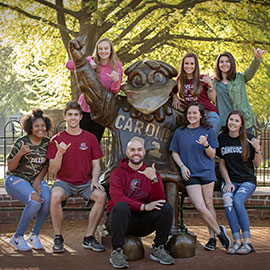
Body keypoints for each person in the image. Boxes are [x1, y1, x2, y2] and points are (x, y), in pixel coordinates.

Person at [46, 101, 107, 253]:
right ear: (65, 116)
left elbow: (96, 165)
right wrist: (60, 153)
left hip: (86, 182)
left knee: (101, 196)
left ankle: (89, 237)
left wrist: (94, 180)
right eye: (70, 115)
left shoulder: (90, 138)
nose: (73, 118)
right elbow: (53, 171)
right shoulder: (56, 140)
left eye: (76, 115)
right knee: (54, 196)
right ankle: (58, 237)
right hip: (64, 182)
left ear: (80, 117)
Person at [169, 102, 231, 251]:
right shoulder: (180, 132)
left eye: (194, 113)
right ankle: (220, 232)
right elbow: (174, 152)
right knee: (200, 206)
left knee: (209, 205)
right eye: (189, 113)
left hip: (206, 171)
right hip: (190, 173)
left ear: (201, 115)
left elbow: (212, 154)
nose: (191, 115)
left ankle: (211, 238)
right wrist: (182, 166)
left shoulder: (208, 131)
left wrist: (206, 145)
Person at [106, 136, 175, 268]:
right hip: (121, 221)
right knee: (121, 206)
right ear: (127, 153)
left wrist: (154, 180)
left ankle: (158, 247)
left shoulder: (151, 172)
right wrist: (143, 206)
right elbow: (118, 198)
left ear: (144, 152)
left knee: (165, 208)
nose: (136, 153)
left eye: (139, 149)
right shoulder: (117, 173)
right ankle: (116, 251)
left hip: (143, 222)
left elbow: (159, 200)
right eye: (132, 150)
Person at [5, 109, 52, 251]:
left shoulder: (48, 143)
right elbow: (11, 167)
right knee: (35, 200)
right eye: (36, 126)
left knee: (47, 198)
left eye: (42, 125)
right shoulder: (22, 142)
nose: (40, 129)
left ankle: (34, 235)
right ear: (30, 127)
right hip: (15, 178)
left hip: (34, 179)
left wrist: (37, 181)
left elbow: (46, 164)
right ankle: (17, 237)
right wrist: (20, 153)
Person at [217, 110, 262, 255]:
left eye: (236, 121)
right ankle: (237, 241)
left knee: (237, 200)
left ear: (241, 124)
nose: (233, 123)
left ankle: (247, 242)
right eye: (231, 119)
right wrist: (228, 182)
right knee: (228, 200)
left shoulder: (249, 138)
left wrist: (257, 149)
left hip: (247, 180)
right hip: (231, 181)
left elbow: (258, 164)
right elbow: (222, 164)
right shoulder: (222, 138)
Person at [66, 37, 123, 142]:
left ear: (111, 50)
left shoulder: (116, 66)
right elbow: (69, 65)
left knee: (94, 142)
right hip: (85, 107)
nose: (103, 51)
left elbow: (115, 91)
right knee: (80, 141)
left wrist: (115, 81)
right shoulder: (90, 60)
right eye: (100, 49)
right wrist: (86, 62)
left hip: (101, 110)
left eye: (106, 48)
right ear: (97, 50)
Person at [213, 48, 266, 133]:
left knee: (246, 146)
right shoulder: (214, 82)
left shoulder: (240, 78)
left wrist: (257, 58)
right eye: (221, 62)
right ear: (218, 64)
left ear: (231, 63)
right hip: (225, 123)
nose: (224, 64)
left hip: (243, 121)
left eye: (227, 61)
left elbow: (250, 71)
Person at [171, 52, 220, 136]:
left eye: (192, 64)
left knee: (209, 141)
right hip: (192, 116)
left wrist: (210, 85)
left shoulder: (202, 78)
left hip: (208, 113)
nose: (189, 66)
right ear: (182, 65)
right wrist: (174, 96)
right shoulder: (180, 80)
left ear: (196, 65)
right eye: (186, 63)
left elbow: (212, 98)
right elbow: (171, 90)